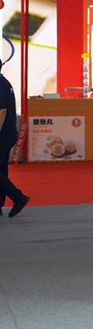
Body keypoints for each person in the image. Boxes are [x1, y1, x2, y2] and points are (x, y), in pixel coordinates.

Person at [0, 58, 29, 218]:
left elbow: (1, 112)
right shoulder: (4, 82)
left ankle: (18, 197)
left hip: (3, 135)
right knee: (1, 170)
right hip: (7, 134)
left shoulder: (0, 84)